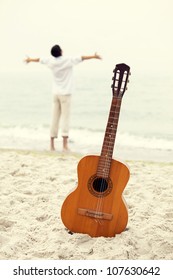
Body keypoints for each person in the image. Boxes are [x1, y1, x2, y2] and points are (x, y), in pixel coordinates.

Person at [25, 45, 101, 151]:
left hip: (55, 93)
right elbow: (82, 57)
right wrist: (94, 56)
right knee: (65, 118)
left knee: (54, 118)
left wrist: (29, 60)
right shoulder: (67, 60)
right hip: (65, 94)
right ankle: (65, 146)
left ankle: (52, 145)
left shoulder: (50, 61)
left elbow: (39, 59)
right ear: (61, 51)